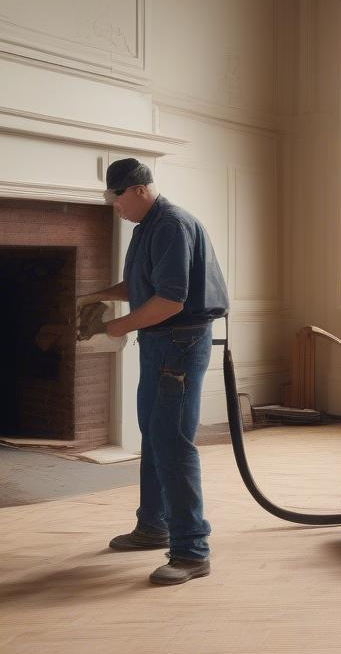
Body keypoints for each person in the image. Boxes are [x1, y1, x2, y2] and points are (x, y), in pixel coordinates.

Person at [78, 158, 229, 586]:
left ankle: (192, 551)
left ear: (140, 189)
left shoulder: (170, 225)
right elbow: (142, 286)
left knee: (173, 443)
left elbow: (171, 301)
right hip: (160, 342)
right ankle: (153, 526)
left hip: (178, 343)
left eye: (117, 197)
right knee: (154, 433)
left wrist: (111, 327)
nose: (114, 206)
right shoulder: (147, 226)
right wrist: (95, 295)